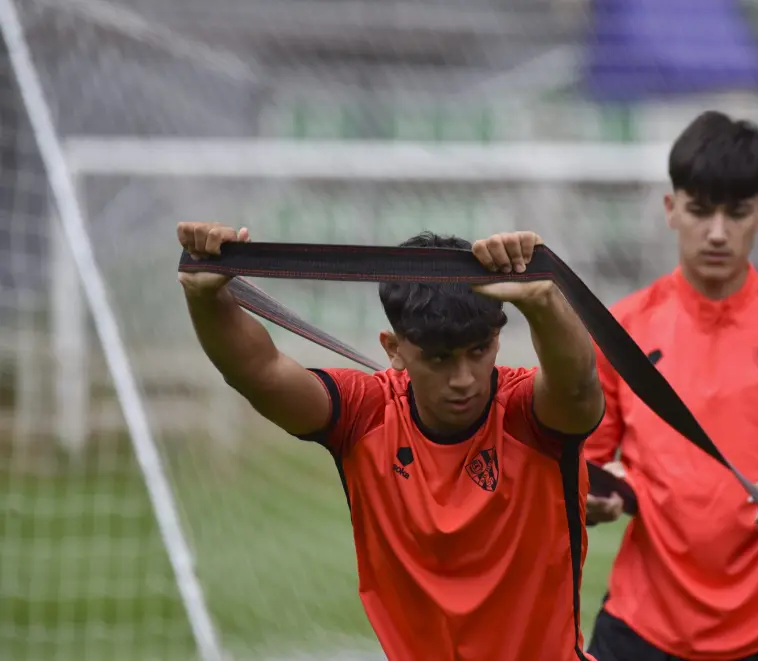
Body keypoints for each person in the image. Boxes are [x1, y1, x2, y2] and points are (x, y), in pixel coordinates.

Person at [177, 223, 605, 661]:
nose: (463, 380)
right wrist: (205, 297)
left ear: (497, 339)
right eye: (439, 359)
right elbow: (260, 374)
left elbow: (578, 387)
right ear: (393, 348)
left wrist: (542, 300)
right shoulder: (366, 414)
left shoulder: (528, 415)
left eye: (479, 351)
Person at [582, 111, 758, 661]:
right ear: (671, 210)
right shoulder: (620, 330)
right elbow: (581, 473)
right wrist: (595, 497)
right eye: (699, 210)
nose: (717, 232)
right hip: (642, 627)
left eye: (736, 213)